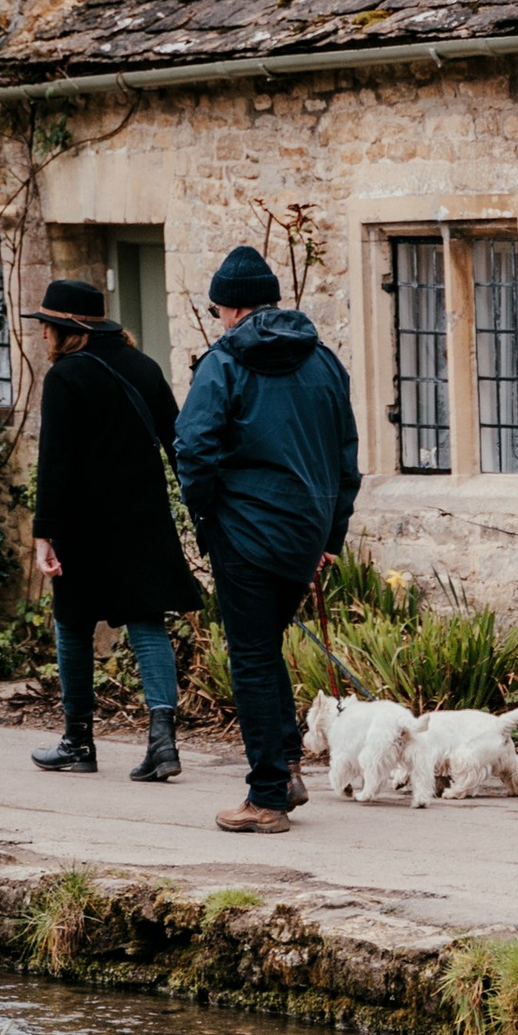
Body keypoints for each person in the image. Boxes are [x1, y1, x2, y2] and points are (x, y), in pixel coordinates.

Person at [172, 244, 361, 834]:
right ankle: (287, 769)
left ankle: (267, 797)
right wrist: (330, 533)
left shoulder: (223, 362)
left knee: (251, 658)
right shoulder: (324, 361)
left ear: (229, 309)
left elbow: (192, 446)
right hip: (304, 532)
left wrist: (206, 516)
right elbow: (346, 457)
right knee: (266, 646)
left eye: (215, 310)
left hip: (246, 533)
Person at [23, 278, 201, 783]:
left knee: (73, 624)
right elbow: (178, 442)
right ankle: (163, 745)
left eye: (49, 327)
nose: (43, 337)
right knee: (147, 622)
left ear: (68, 330)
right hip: (143, 516)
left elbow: (55, 463)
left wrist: (44, 534)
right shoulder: (143, 367)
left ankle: (78, 742)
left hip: (83, 522)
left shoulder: (65, 378)